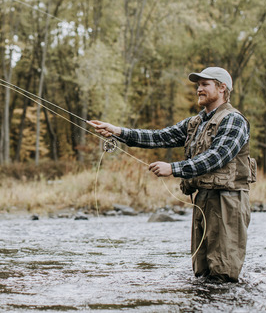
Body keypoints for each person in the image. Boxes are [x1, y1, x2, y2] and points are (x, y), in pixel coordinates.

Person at [88, 67, 256, 282]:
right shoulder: (195, 122)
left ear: (222, 88)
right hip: (203, 198)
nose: (199, 89)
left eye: (205, 84)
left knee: (223, 273)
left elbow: (218, 156)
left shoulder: (234, 120)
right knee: (202, 272)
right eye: (198, 85)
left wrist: (173, 168)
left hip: (228, 201)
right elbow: (158, 137)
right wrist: (117, 131)